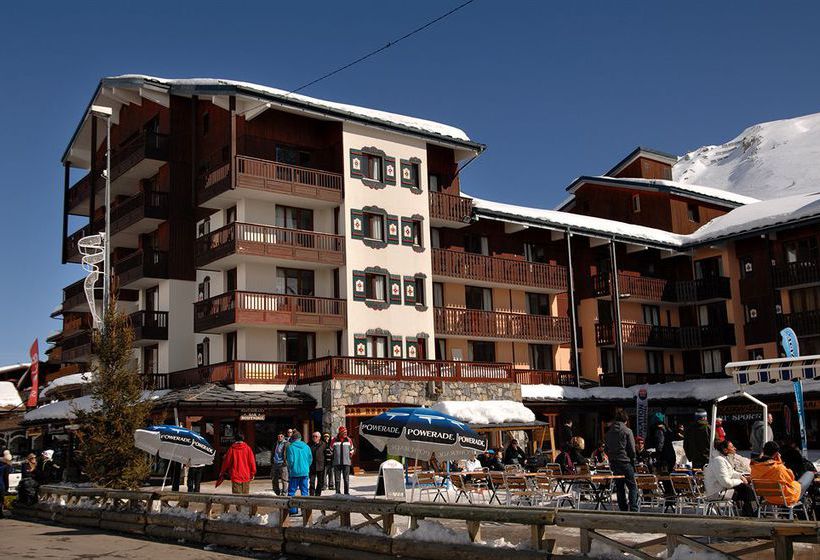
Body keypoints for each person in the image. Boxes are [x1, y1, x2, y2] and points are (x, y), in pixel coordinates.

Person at [750, 441, 814, 507]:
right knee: (810, 473)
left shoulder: (754, 466)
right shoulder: (778, 468)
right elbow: (791, 478)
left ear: (763, 451)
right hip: (786, 498)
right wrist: (779, 462)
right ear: (776, 454)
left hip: (769, 498)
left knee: (799, 483)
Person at [704, 440, 756, 516]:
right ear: (725, 450)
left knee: (747, 489)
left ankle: (749, 512)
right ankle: (751, 513)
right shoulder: (719, 461)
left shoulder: (722, 459)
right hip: (717, 493)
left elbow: (731, 472)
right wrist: (740, 481)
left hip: (721, 489)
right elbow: (726, 483)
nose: (735, 448)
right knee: (747, 490)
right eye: (732, 447)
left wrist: (740, 476)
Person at [605, 408, 638, 512]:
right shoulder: (627, 431)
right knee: (632, 486)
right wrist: (633, 459)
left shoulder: (609, 432)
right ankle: (633, 508)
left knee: (620, 487)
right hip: (625, 461)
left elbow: (606, 448)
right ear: (626, 420)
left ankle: (623, 508)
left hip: (614, 462)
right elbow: (632, 449)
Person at [286, 430, 312, 514]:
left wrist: (290, 468)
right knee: (304, 492)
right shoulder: (306, 447)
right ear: (300, 438)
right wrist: (306, 467)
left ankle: (293, 510)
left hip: (294, 472)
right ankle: (305, 510)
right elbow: (310, 459)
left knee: (291, 492)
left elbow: (290, 461)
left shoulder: (290, 447)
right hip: (305, 472)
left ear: (293, 439)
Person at [331, 426, 355, 495]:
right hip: (337, 463)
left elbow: (352, 450)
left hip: (346, 463)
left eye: (346, 432)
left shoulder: (349, 440)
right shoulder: (334, 440)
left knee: (346, 479)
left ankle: (346, 492)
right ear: (340, 432)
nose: (345, 433)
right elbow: (331, 450)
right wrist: (335, 457)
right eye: (344, 432)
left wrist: (349, 456)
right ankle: (338, 492)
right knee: (337, 479)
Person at [308, 431, 326, 496]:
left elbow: (326, 455)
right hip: (312, 466)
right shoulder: (309, 444)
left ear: (319, 437)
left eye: (316, 436)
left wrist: (326, 464)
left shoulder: (323, 444)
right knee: (312, 482)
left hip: (320, 466)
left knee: (320, 482)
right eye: (313, 436)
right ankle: (311, 495)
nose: (314, 438)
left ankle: (318, 494)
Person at [0, 451, 11, 518]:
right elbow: (6, 478)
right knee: (1, 500)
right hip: (1, 485)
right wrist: (7, 487)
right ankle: (0, 513)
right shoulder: (5, 466)